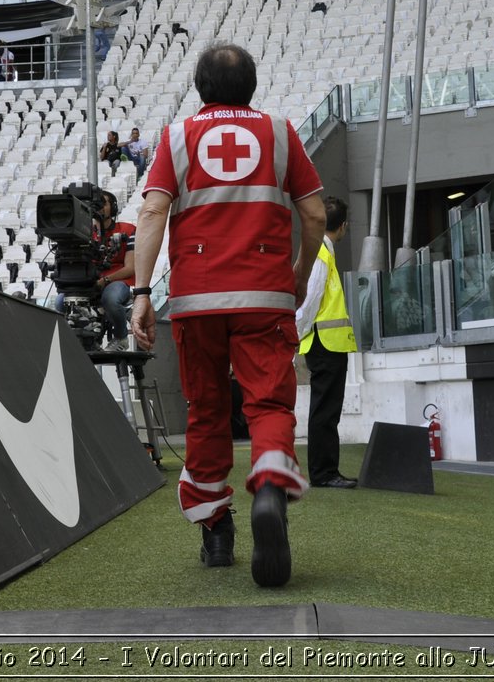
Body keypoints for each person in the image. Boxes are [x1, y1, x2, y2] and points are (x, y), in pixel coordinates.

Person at [130, 43, 326, 588]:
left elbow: (151, 211)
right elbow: (313, 212)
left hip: (196, 299)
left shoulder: (177, 136)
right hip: (265, 293)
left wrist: (143, 291)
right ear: (253, 86)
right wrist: (300, 270)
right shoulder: (282, 133)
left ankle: (216, 533)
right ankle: (268, 479)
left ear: (200, 88)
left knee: (207, 408)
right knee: (268, 402)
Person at [295, 196, 358, 490]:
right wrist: (292, 338)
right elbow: (309, 300)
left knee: (325, 409)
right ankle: (324, 473)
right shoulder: (322, 253)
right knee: (326, 410)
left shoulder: (320, 251)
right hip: (326, 344)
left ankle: (324, 471)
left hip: (321, 342)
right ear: (343, 226)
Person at [94, 190, 136, 349]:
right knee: (60, 302)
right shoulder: (86, 232)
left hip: (119, 281)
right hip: (92, 280)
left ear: (113, 207)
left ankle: (121, 337)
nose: (98, 207)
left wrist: (104, 281)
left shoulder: (128, 229)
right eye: (95, 203)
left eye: (103, 203)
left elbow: (130, 268)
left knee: (110, 299)